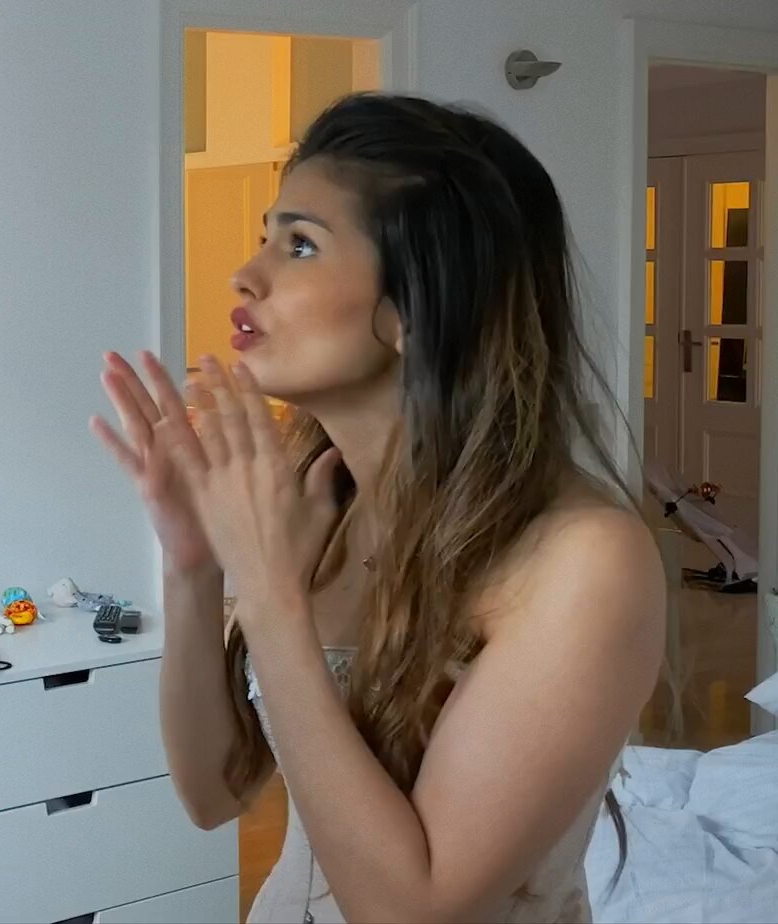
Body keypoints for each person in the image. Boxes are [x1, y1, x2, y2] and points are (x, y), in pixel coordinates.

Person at [93, 94, 664, 923]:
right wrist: (193, 564)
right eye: (266, 237)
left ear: (415, 307)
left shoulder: (583, 559)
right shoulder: (322, 501)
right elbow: (215, 792)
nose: (245, 274)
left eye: (300, 244)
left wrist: (271, 593)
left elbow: (414, 911)